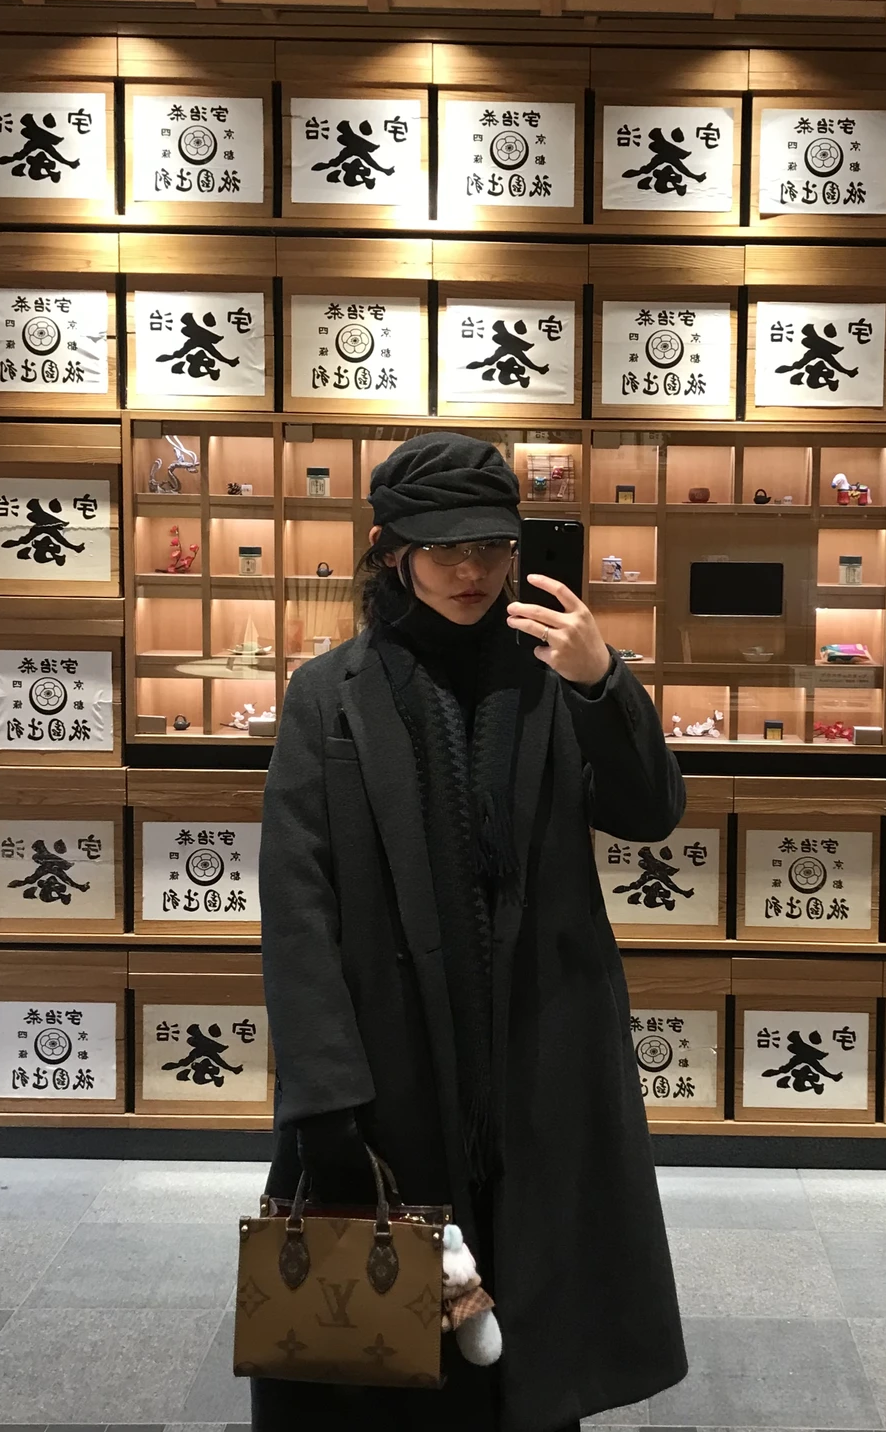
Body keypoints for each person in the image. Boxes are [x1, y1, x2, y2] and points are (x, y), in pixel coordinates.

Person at [253, 432, 688, 1431]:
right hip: (391, 1058)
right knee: (383, 1351)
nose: (471, 571)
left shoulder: (553, 678)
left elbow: (650, 811)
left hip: (539, 1057)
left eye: (491, 546)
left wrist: (604, 682)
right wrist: (322, 1096)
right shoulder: (328, 693)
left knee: (536, 1334)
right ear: (389, 551)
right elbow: (299, 901)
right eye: (444, 548)